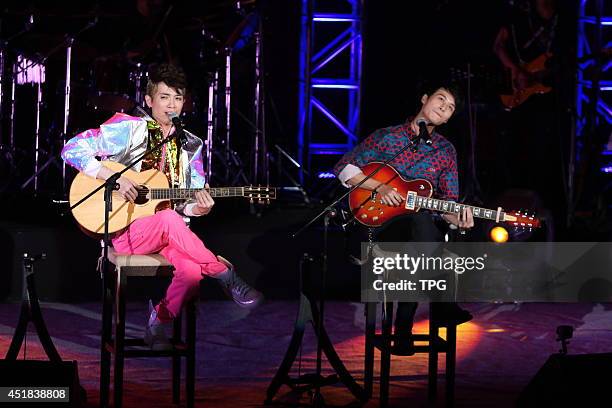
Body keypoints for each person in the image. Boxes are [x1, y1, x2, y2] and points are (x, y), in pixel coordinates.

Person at [62, 63, 263, 349]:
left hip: (168, 230)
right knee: (169, 219)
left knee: (192, 273)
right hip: (125, 229)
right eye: (165, 97)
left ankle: (157, 325)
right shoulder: (129, 129)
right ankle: (224, 273)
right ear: (149, 101)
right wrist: (114, 179)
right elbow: (71, 149)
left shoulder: (191, 145)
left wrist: (199, 209)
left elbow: (186, 205)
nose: (172, 105)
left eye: (178, 98)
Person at [333, 84, 474, 354]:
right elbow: (344, 167)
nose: (444, 107)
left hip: (418, 232)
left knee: (423, 225)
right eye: (440, 99)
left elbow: (447, 202)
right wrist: (379, 187)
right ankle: (439, 307)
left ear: (448, 119)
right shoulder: (387, 137)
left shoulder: (446, 151)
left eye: (451, 107)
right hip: (377, 223)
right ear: (424, 99)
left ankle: (405, 326)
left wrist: (458, 219)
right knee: (424, 235)